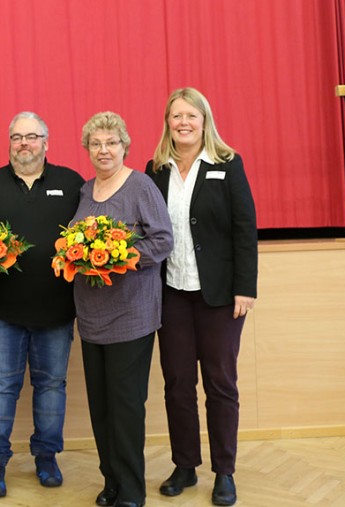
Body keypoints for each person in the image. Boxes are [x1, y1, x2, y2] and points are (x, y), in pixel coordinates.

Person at [0, 111, 84, 498]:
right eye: (17, 137)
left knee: (51, 386)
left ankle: (46, 457)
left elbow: (89, 234)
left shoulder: (71, 183)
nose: (24, 144)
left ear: (46, 142)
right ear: (9, 143)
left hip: (56, 312)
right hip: (2, 314)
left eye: (32, 137)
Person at [146, 88, 257, 507]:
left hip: (220, 298)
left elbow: (245, 228)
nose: (184, 122)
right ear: (168, 123)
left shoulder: (227, 165)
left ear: (204, 119)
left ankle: (224, 471)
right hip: (171, 295)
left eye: (191, 115)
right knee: (177, 384)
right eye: (176, 116)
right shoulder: (156, 169)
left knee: (221, 384)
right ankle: (185, 465)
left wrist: (246, 286)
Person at [73, 112, 173, 507]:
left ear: (124, 146)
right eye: (96, 144)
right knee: (101, 407)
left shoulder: (140, 186)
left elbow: (163, 241)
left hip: (132, 317)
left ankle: (132, 490)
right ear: (88, 149)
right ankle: (110, 480)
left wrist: (121, 257)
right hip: (91, 317)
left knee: (127, 407)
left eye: (111, 143)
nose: (104, 150)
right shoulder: (84, 191)